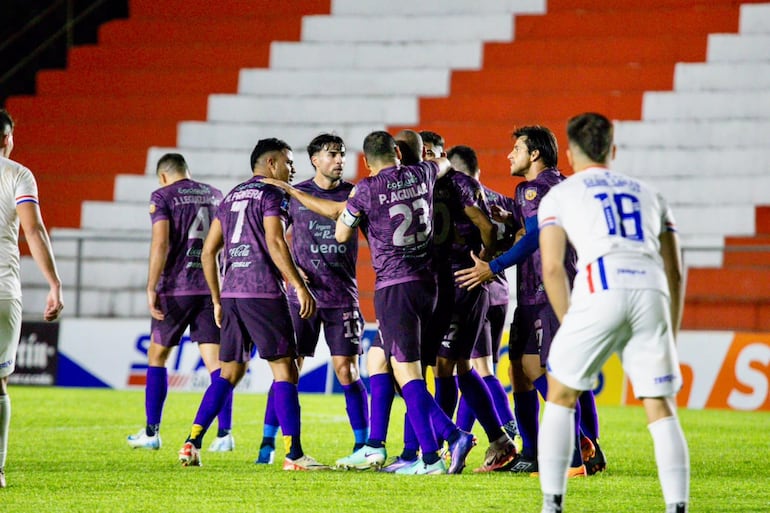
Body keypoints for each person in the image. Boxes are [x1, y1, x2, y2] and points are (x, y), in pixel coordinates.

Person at [268, 131, 477, 475]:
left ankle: (437, 450)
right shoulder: (421, 172)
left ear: (365, 161)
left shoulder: (365, 189)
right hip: (430, 284)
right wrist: (432, 163)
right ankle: (375, 446)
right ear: (396, 152)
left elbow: (341, 231)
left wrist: (303, 196)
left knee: (406, 371)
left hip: (396, 287)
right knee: (379, 359)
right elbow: (442, 164)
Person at [536, 112, 688, 513]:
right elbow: (675, 270)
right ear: (613, 150)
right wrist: (669, 330)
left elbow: (551, 267)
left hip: (601, 286)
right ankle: (677, 506)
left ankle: (552, 504)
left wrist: (570, 324)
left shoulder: (560, 194)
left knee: (561, 394)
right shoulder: (651, 194)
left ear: (568, 154)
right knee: (659, 405)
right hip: (651, 289)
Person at [455, 126, 601, 476]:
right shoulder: (556, 185)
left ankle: (574, 456)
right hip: (538, 293)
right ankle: (535, 452)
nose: (510, 154)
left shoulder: (534, 188)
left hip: (547, 293)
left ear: (534, 154)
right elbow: (528, 222)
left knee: (546, 372)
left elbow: (536, 235)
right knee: (519, 369)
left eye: (516, 148)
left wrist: (495, 266)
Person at [177, 138, 326, 471]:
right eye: (289, 161)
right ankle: (295, 455)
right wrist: (299, 286)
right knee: (285, 370)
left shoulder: (230, 196)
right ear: (271, 163)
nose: (294, 168)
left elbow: (207, 252)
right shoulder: (274, 195)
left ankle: (192, 441)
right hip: (262, 293)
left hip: (231, 294)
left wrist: (217, 299)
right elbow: (275, 241)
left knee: (228, 372)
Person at [255, 134, 369, 468]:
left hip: (342, 296)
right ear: (315, 160)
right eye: (332, 154)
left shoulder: (355, 194)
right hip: (300, 298)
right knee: (287, 371)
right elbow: (273, 238)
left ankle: (363, 445)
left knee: (347, 370)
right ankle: (267, 443)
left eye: (342, 155)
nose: (339, 160)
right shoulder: (291, 197)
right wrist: (292, 272)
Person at [127, 153, 234, 453]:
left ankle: (152, 432)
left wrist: (151, 286)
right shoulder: (215, 195)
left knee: (157, 356)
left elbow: (161, 242)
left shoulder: (162, 196)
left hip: (176, 288)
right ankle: (224, 434)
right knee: (218, 366)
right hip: (211, 288)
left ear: (162, 176)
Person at [428, 144, 519, 473]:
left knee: (453, 365)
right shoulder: (491, 195)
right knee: (469, 365)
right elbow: (519, 227)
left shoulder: (458, 188)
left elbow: (493, 229)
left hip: (468, 284)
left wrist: (486, 262)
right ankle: (496, 438)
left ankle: (448, 441)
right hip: (489, 289)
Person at [0, 109, 64, 488]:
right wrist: (54, 283)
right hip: (3, 290)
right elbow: (33, 229)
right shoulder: (18, 175)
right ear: (9, 138)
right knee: (0, 383)